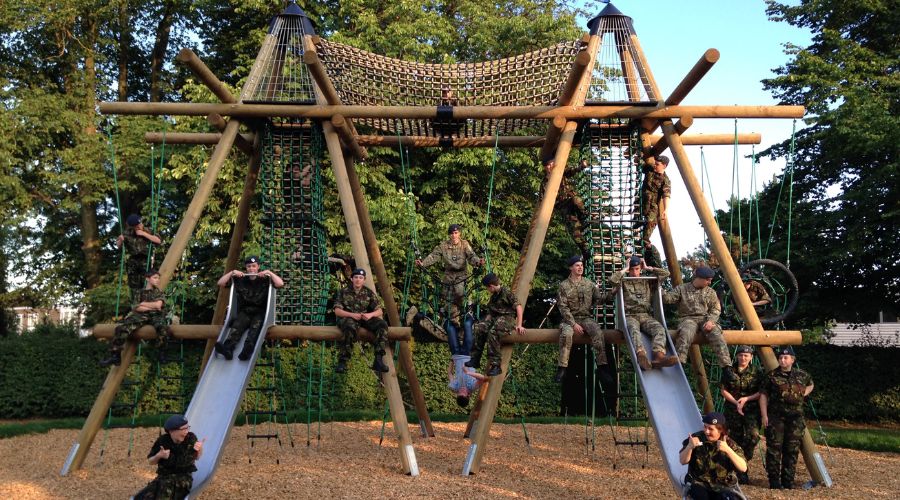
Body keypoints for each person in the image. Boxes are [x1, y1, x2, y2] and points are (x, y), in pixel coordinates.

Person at [416, 224, 484, 355]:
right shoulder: (443, 246)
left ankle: (467, 311)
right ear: (449, 235)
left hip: (461, 275)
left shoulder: (464, 244)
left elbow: (471, 256)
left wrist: (478, 262)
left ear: (460, 234)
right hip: (448, 276)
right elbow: (434, 256)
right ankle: (453, 322)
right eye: (452, 233)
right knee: (448, 300)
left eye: (456, 233)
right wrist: (423, 263)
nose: (454, 235)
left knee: (459, 292)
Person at [663, 265, 736, 383]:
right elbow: (667, 299)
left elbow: (716, 309)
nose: (709, 282)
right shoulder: (682, 289)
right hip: (688, 318)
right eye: (708, 280)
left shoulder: (710, 292)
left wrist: (711, 321)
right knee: (686, 332)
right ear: (700, 278)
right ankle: (679, 362)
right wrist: (660, 287)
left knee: (716, 333)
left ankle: (727, 367)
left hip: (705, 318)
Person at [608, 255, 678, 370]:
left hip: (645, 315)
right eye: (632, 269)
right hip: (630, 315)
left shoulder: (647, 281)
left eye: (637, 269)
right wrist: (625, 269)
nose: (634, 272)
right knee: (634, 330)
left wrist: (648, 268)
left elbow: (666, 274)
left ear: (640, 269)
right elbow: (612, 280)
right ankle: (641, 355)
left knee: (659, 329)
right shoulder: (623, 282)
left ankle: (658, 356)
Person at [760, 346, 814, 490]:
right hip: (776, 418)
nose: (782, 360)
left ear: (792, 359)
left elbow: (811, 384)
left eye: (785, 358)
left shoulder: (802, 375)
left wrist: (804, 393)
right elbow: (763, 396)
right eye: (780, 358)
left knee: (792, 450)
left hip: (795, 419)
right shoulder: (771, 376)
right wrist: (764, 415)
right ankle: (774, 481)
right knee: (774, 450)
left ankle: (788, 481)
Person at [213, 256, 284, 361]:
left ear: (258, 267)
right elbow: (221, 283)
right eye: (249, 266)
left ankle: (246, 351)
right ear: (246, 267)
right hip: (245, 311)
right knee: (237, 327)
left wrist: (269, 272)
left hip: (259, 311)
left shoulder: (265, 279)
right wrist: (232, 272)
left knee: (254, 329)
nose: (251, 269)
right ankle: (228, 350)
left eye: (254, 266)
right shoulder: (240, 279)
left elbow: (280, 283)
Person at [555, 255, 612, 384]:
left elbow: (599, 300)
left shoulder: (589, 284)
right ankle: (562, 368)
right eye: (577, 265)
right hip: (569, 319)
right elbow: (563, 307)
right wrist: (573, 324)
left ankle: (603, 367)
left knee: (597, 332)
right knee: (566, 334)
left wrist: (612, 293)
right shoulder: (563, 286)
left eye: (581, 265)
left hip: (585, 318)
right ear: (571, 267)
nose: (580, 267)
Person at [100, 269, 168, 367]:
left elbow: (158, 306)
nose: (158, 280)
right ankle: (115, 355)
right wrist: (147, 306)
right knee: (121, 328)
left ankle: (162, 353)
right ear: (147, 279)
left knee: (162, 327)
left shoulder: (159, 293)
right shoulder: (139, 293)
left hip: (156, 315)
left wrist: (143, 304)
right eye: (155, 278)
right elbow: (136, 308)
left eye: (158, 278)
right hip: (141, 315)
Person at [679, 411, 748, 500]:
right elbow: (682, 461)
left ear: (721, 430)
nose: (706, 431)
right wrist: (689, 447)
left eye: (711, 429)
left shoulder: (730, 444)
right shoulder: (696, 438)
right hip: (698, 482)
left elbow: (743, 468)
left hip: (722, 485)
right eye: (705, 427)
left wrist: (728, 450)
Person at [133, 414, 204, 500]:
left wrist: (199, 449)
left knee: (163, 493)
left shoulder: (190, 438)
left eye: (187, 427)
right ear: (171, 431)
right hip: (163, 477)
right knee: (143, 497)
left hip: (182, 479)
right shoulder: (162, 441)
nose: (186, 431)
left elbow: (197, 457)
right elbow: (151, 461)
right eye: (183, 429)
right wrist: (159, 455)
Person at [468, 273, 526, 377]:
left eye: (487, 288)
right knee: (478, 328)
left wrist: (519, 325)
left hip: (507, 318)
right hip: (495, 318)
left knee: (492, 333)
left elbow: (519, 308)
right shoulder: (494, 296)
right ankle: (475, 358)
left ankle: (496, 365)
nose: (487, 290)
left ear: (491, 286)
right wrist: (483, 323)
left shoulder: (507, 293)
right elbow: (491, 313)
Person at [332, 268, 390, 373]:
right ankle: (342, 362)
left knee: (382, 324)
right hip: (347, 318)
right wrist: (352, 315)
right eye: (356, 277)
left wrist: (370, 315)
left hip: (363, 318)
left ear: (364, 279)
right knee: (349, 326)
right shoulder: (343, 292)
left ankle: (378, 359)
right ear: (351, 279)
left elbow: (379, 310)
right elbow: (337, 311)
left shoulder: (368, 292)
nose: (358, 280)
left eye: (361, 278)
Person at [720, 345, 763, 484]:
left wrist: (746, 399)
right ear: (737, 356)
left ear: (751, 357)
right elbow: (723, 390)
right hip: (733, 410)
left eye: (746, 355)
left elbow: (762, 392)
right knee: (734, 439)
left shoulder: (757, 371)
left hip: (751, 410)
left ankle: (742, 463)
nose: (743, 358)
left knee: (753, 436)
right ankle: (740, 472)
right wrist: (736, 402)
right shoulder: (729, 370)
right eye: (741, 355)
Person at [543, 157, 590, 258]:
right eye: (548, 165)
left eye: (552, 164)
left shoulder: (561, 173)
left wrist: (581, 166)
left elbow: (571, 171)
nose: (550, 166)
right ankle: (585, 249)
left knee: (576, 200)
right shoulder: (544, 182)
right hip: (563, 206)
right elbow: (542, 200)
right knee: (574, 230)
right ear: (545, 168)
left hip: (570, 200)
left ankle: (584, 216)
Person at [117, 214, 162, 305]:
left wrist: (144, 234)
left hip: (145, 260)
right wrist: (120, 240)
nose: (139, 227)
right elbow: (118, 246)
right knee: (134, 284)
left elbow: (158, 240)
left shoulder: (148, 230)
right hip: (133, 261)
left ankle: (147, 302)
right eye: (136, 226)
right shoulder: (127, 233)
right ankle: (136, 305)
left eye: (139, 224)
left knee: (146, 282)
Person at [638, 155, 670, 268]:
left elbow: (666, 195)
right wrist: (638, 158)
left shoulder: (665, 180)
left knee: (645, 236)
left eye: (658, 164)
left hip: (651, 208)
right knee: (635, 228)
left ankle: (650, 259)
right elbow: (641, 165)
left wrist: (665, 210)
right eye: (655, 163)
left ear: (664, 166)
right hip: (640, 205)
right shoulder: (650, 169)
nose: (655, 165)